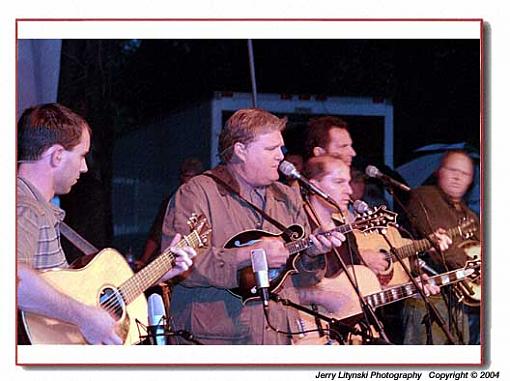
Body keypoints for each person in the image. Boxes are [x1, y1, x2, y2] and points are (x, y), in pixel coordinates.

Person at [16, 103, 196, 345]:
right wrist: (84, 317)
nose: (84, 167)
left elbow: (83, 296)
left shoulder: (37, 209)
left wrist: (161, 270)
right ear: (57, 155)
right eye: (81, 155)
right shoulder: (24, 207)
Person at [161, 108, 345, 344]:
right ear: (240, 150)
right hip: (217, 342)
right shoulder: (197, 193)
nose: (281, 156)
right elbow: (180, 268)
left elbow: (300, 280)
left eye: (281, 148)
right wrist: (247, 255)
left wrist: (312, 254)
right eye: (271, 149)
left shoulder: (288, 197)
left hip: (276, 337)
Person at [295, 155, 450, 344]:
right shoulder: (297, 227)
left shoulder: (346, 233)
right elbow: (285, 287)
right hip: (306, 331)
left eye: (349, 182)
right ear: (314, 186)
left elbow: (360, 290)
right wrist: (326, 297)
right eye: (339, 182)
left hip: (346, 333)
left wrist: (411, 288)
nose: (349, 190)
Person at [402, 150, 481, 345]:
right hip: (427, 297)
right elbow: (441, 248)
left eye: (465, 174)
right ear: (440, 171)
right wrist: (475, 269)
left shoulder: (470, 215)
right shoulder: (423, 197)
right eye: (452, 170)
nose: (457, 177)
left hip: (460, 302)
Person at [137, 157, 204, 270]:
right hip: (173, 262)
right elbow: (156, 235)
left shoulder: (207, 203)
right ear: (181, 177)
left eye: (193, 177)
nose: (189, 182)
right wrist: (144, 261)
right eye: (186, 176)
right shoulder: (171, 202)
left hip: (200, 264)